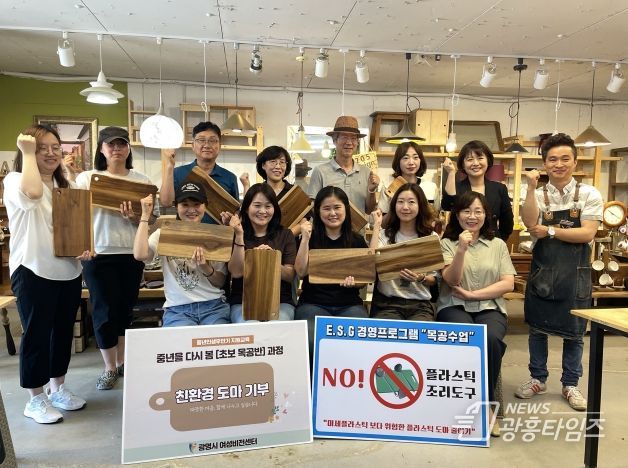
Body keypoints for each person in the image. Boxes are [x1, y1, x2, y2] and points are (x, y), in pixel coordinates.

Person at [6, 126, 91, 424]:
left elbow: (75, 227)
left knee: (62, 333)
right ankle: (35, 398)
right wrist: (27, 152)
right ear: (27, 150)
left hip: (67, 272)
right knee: (37, 335)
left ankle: (57, 389)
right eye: (42, 147)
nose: (51, 153)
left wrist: (83, 248)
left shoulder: (64, 186)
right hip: (32, 269)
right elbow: (31, 195)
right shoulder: (15, 179)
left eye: (55, 147)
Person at [515, 133, 602, 411]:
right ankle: (537, 378)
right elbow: (530, 223)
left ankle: (570, 384)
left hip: (575, 274)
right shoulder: (539, 194)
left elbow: (587, 233)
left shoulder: (589, 194)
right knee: (537, 329)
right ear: (545, 164)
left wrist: (551, 230)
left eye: (565, 159)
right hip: (544, 271)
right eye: (552, 159)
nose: (559, 164)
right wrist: (531, 188)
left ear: (575, 162)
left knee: (574, 332)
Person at [75, 127, 151, 391]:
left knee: (125, 309)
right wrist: (82, 245)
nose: (117, 148)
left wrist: (135, 217)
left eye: (122, 144)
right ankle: (109, 367)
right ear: (102, 149)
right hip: (98, 254)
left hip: (131, 254)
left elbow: (149, 220)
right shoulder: (87, 178)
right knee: (104, 311)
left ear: (129, 148)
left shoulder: (141, 181)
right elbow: (76, 213)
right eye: (111, 144)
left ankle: (122, 362)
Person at [437, 191, 516, 436]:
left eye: (478, 211)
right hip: (453, 306)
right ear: (457, 215)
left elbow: (508, 283)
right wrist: (461, 249)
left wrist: (474, 295)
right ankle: (461, 402)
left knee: (490, 338)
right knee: (467, 336)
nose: (472, 216)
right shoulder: (446, 243)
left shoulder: (498, 244)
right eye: (466, 211)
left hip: (490, 307)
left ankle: (485, 405)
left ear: (486, 215)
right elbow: (452, 280)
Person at [133, 183, 230, 327]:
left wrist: (205, 267)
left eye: (197, 204)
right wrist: (145, 216)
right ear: (176, 206)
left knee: (216, 339)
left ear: (205, 206)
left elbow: (220, 282)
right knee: (180, 340)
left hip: (213, 306)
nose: (191, 210)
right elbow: (140, 255)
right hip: (177, 310)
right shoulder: (164, 233)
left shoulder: (215, 236)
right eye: (185, 204)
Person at [294, 186, 369, 350]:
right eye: (326, 208)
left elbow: (363, 280)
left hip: (349, 305)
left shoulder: (357, 241)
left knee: (358, 341)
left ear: (346, 209)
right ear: (318, 211)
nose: (332, 213)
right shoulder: (310, 238)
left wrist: (354, 283)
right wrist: (305, 239)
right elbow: (300, 272)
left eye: (337, 207)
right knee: (312, 341)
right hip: (313, 303)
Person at [226, 183, 296, 322]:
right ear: (247, 208)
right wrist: (240, 237)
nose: (263, 211)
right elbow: (236, 272)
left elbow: (290, 275)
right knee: (250, 326)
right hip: (242, 302)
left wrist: (270, 260)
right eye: (257, 205)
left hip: (280, 302)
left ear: (274, 209)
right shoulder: (236, 233)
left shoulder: (285, 234)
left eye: (268, 206)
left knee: (277, 325)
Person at [369, 184, 438, 321]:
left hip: (420, 305)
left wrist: (420, 278)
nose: (405, 207)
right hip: (387, 304)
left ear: (420, 205)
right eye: (400, 202)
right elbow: (370, 264)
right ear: (394, 205)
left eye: (411, 202)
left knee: (420, 332)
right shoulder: (384, 235)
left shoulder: (431, 237)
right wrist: (377, 226)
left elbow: (435, 279)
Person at [160, 121, 238, 224]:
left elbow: (236, 213)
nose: (207, 145)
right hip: (185, 232)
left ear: (219, 146)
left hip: (218, 233)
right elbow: (166, 203)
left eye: (212, 140)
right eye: (201, 140)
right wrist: (169, 167)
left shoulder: (230, 177)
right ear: (193, 145)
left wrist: (230, 219)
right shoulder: (178, 173)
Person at [441, 140, 514, 241]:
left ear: (488, 161)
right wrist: (451, 173)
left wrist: (498, 242)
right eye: (470, 159)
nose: (475, 163)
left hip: (490, 243)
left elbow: (507, 223)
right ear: (463, 164)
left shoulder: (499, 189)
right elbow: (446, 205)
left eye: (480, 158)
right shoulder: (456, 188)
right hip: (458, 242)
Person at [307, 116, 380, 213]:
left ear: (357, 142)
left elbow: (369, 210)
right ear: (334, 140)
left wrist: (371, 190)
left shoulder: (366, 172)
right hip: (329, 223)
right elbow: (313, 207)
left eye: (353, 138)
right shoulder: (320, 171)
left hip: (358, 224)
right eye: (344, 137)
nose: (349, 142)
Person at [377, 142, 435, 214]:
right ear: (398, 161)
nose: (411, 162)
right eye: (406, 158)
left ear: (421, 160)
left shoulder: (431, 187)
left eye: (415, 157)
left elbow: (436, 216)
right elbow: (381, 218)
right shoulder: (388, 186)